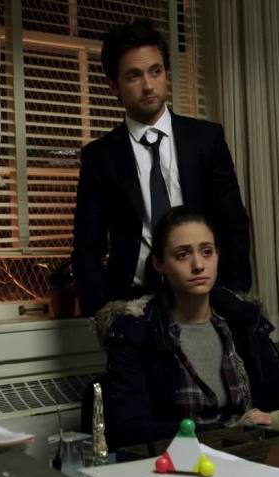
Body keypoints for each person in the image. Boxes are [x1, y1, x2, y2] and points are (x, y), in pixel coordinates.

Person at [95, 206, 279, 450]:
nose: (198, 265)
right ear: (159, 263)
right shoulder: (136, 331)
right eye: (182, 255)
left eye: (207, 252)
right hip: (178, 463)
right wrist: (228, 432)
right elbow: (128, 429)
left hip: (249, 458)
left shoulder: (242, 320)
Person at [72, 18, 251, 316]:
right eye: (134, 76)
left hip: (205, 297)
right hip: (132, 302)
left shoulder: (206, 139)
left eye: (155, 71)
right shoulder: (100, 157)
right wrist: (101, 311)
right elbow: (87, 245)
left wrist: (233, 297)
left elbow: (234, 223)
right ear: (113, 86)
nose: (148, 86)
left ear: (167, 73)